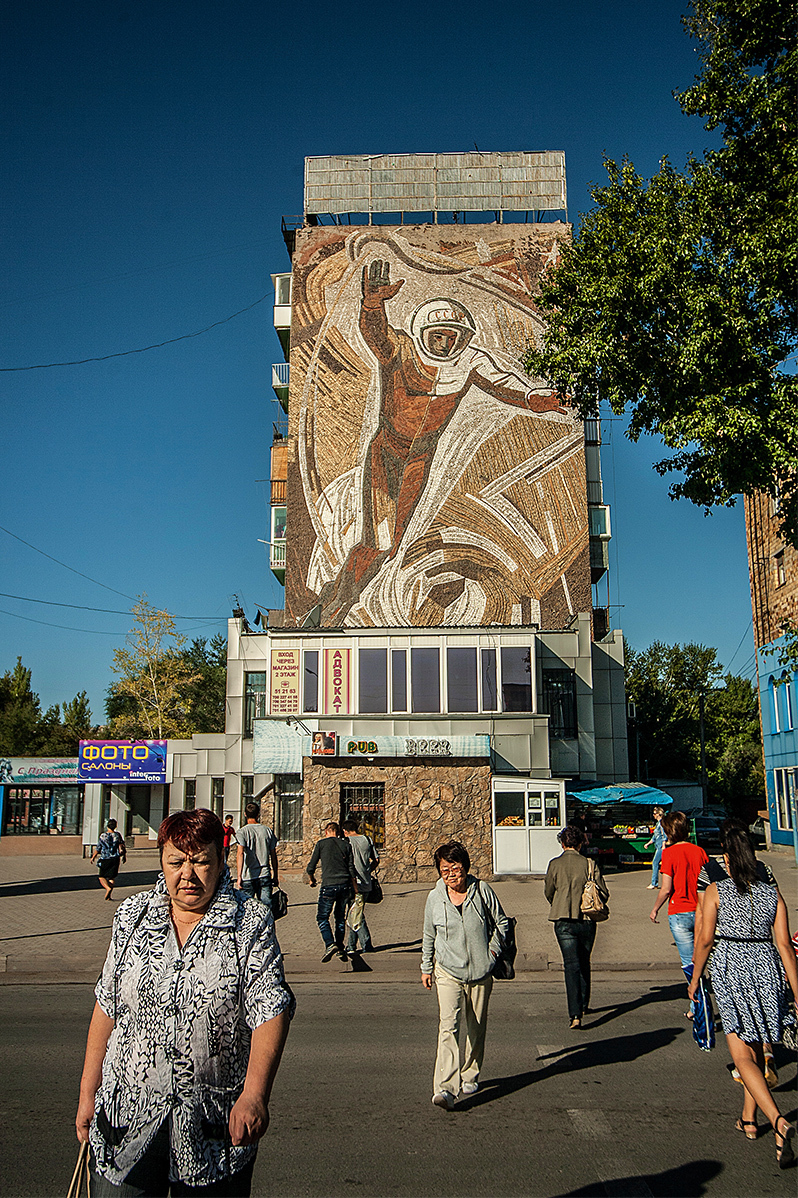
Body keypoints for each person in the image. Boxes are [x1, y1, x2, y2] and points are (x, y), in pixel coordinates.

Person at [75, 808, 293, 1197]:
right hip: (126, 1120)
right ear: (162, 861)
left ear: (221, 860)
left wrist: (256, 1094)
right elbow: (107, 1005)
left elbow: (270, 1008)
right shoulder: (132, 916)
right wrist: (88, 1093)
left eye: (200, 862)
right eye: (176, 862)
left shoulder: (249, 921)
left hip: (212, 1128)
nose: (187, 875)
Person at [688, 822, 797, 1168]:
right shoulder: (772, 894)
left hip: (731, 969)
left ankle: (778, 1122)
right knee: (756, 1049)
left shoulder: (717, 890)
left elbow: (704, 938)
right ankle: (749, 1120)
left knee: (742, 1058)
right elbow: (786, 947)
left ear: (727, 857)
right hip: (767, 971)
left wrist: (694, 979)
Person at [421, 840, 508, 1110]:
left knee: (476, 1026)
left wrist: (492, 953)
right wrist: (426, 966)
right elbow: (428, 934)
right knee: (448, 1027)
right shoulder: (434, 897)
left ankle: (470, 1073)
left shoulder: (482, 890)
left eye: (454, 868)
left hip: (481, 972)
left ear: (465, 867)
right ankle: (445, 1087)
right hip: (447, 971)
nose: (450, 874)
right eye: (444, 870)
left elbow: (502, 923)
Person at [695, 818, 781, 1089]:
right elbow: (776, 910)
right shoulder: (763, 869)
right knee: (761, 1008)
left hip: (727, 953)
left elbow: (702, 917)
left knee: (739, 1019)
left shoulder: (709, 871)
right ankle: (766, 1051)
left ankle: (747, 1067)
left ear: (723, 845)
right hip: (764, 952)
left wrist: (697, 965)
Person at [544, 825, 610, 1028]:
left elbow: (548, 891)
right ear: (580, 844)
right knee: (584, 961)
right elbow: (604, 893)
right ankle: (583, 1004)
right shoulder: (590, 864)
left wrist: (559, 903)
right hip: (587, 920)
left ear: (562, 843)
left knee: (570, 965)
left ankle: (575, 1014)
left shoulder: (554, 864)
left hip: (562, 919)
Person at [649, 810, 708, 1010]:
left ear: (669, 831)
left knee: (688, 963)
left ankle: (698, 1007)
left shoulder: (669, 853)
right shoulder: (699, 851)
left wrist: (655, 909)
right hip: (701, 911)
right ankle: (701, 1002)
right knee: (702, 959)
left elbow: (666, 889)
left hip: (679, 911)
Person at [306, 822, 358, 962]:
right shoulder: (346, 845)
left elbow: (311, 867)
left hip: (328, 885)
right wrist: (355, 889)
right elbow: (351, 869)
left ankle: (330, 944)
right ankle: (340, 947)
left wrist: (312, 879)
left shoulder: (321, 844)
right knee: (340, 917)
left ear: (326, 831)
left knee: (322, 917)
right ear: (338, 831)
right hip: (345, 885)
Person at [342, 818, 380, 956]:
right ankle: (351, 945)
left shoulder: (346, 842)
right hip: (366, 882)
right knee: (355, 914)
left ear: (345, 831)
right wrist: (367, 870)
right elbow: (376, 860)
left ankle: (366, 944)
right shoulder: (367, 840)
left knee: (356, 915)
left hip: (353, 884)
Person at [236, 802, 279, 911]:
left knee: (245, 910)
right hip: (264, 874)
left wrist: (239, 876)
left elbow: (240, 853)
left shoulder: (242, 832)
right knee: (266, 910)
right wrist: (275, 875)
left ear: (245, 814)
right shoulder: (267, 831)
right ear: (258, 815)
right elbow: (273, 855)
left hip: (248, 876)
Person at [90, 819, 127, 901]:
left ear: (107, 826)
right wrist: (124, 856)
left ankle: (107, 888)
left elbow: (98, 847)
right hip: (115, 858)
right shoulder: (117, 835)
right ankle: (109, 896)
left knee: (101, 876)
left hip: (105, 858)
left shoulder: (103, 836)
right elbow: (122, 846)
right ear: (115, 826)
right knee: (111, 877)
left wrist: (93, 857)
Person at [644, 806, 667, 889]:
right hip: (658, 845)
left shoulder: (661, 824)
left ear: (658, 814)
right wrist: (648, 843)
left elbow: (664, 835)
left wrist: (664, 845)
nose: (653, 815)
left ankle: (654, 883)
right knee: (662, 864)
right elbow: (655, 836)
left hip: (661, 846)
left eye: (654, 813)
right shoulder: (658, 824)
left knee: (655, 862)